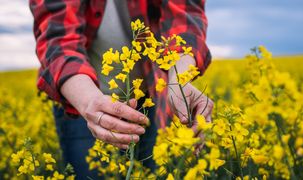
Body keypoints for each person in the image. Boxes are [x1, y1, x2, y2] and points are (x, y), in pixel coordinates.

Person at [29, 0, 213, 179]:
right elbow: (58, 38)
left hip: (148, 95)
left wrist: (179, 82)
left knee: (148, 170)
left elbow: (184, 21)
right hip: (80, 99)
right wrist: (87, 101)